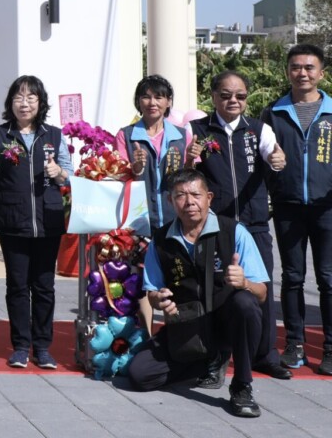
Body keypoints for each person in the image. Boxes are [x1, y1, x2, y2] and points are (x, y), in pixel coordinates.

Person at [127, 168, 271, 419]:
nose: (189, 202)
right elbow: (152, 293)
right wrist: (159, 300)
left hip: (227, 322)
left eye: (196, 194)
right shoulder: (161, 240)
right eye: (181, 195)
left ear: (209, 198)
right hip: (187, 325)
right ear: (170, 201)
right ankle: (207, 360)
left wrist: (245, 282)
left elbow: (262, 294)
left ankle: (242, 385)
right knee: (140, 375)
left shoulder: (234, 231)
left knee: (245, 303)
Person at [188, 70, 291, 382]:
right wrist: (190, 160)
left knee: (261, 288)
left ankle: (264, 355)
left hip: (254, 224)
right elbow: (184, 173)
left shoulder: (258, 130)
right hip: (215, 225)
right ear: (213, 96)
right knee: (213, 289)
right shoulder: (197, 130)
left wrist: (277, 159)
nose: (233, 100)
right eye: (226, 95)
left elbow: (273, 154)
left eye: (240, 95)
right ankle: (215, 355)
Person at [260, 43, 332, 373]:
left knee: (328, 278)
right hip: (288, 206)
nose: (302, 73)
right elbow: (262, 157)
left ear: (321, 73)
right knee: (292, 277)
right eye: (295, 67)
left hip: (327, 207)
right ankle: (294, 343)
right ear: (287, 71)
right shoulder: (273, 113)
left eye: (309, 67)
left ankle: (329, 348)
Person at [0, 75, 71, 370]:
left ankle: (43, 347)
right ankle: (21, 347)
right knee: (17, 285)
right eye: (18, 97)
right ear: (10, 102)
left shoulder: (54, 136)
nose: (24, 103)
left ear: (40, 102)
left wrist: (58, 172)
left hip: (48, 220)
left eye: (31, 97)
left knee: (44, 286)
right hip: (12, 220)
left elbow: (69, 175)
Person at [115, 75, 188, 232]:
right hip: (138, 220)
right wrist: (136, 169)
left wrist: (191, 159)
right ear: (138, 101)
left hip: (176, 217)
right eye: (146, 97)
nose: (152, 103)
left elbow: (190, 176)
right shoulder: (125, 135)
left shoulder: (182, 136)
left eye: (158, 97)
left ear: (168, 101)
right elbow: (118, 176)